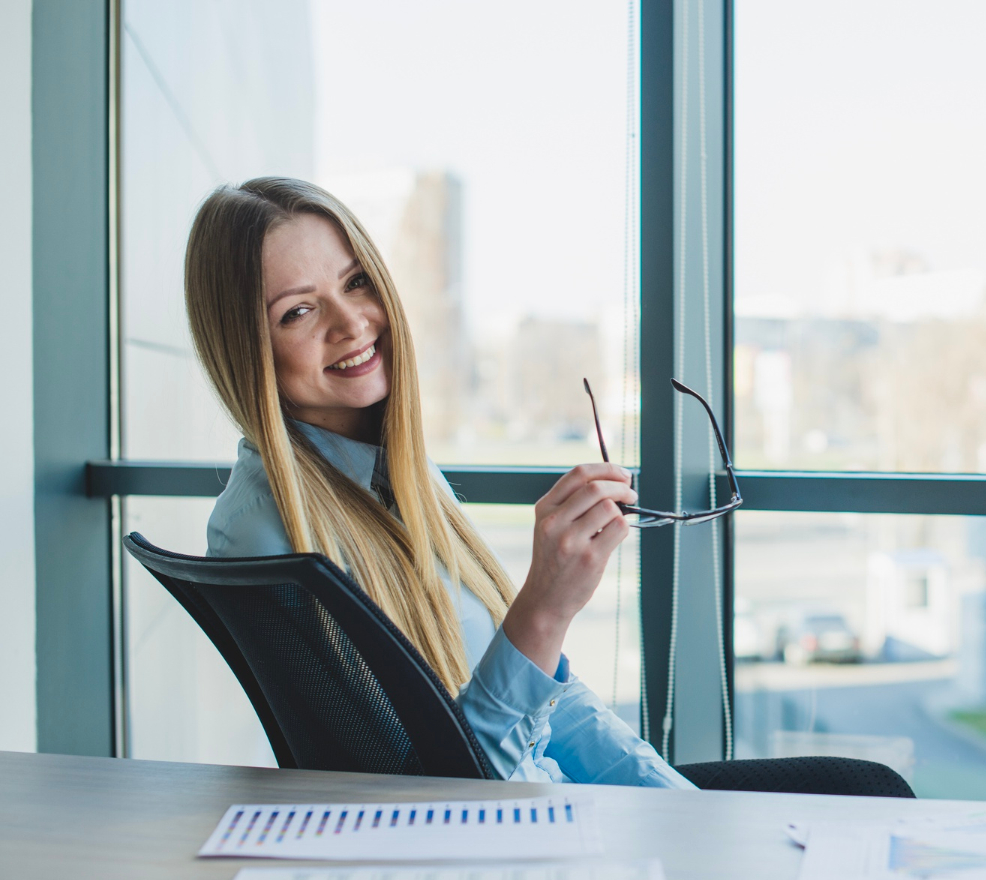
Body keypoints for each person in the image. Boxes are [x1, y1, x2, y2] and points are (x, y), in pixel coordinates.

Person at [184, 176, 692, 789]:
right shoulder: (264, 537)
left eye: (356, 282)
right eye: (298, 311)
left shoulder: (401, 472)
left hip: (558, 811)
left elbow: (557, 713)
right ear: (248, 349)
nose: (352, 323)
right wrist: (542, 614)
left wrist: (680, 809)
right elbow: (426, 798)